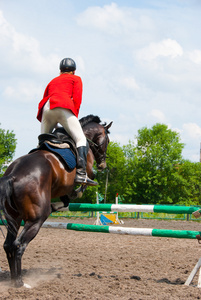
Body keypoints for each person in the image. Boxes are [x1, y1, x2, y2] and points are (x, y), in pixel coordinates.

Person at [36, 58, 97, 186]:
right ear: (73, 71)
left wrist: (52, 121)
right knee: (81, 140)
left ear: (60, 71)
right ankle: (81, 174)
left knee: (42, 141)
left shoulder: (52, 81)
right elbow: (77, 99)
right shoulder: (76, 79)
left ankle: (36, 164)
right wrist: (72, 118)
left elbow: (45, 97)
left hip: (47, 108)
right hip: (63, 106)